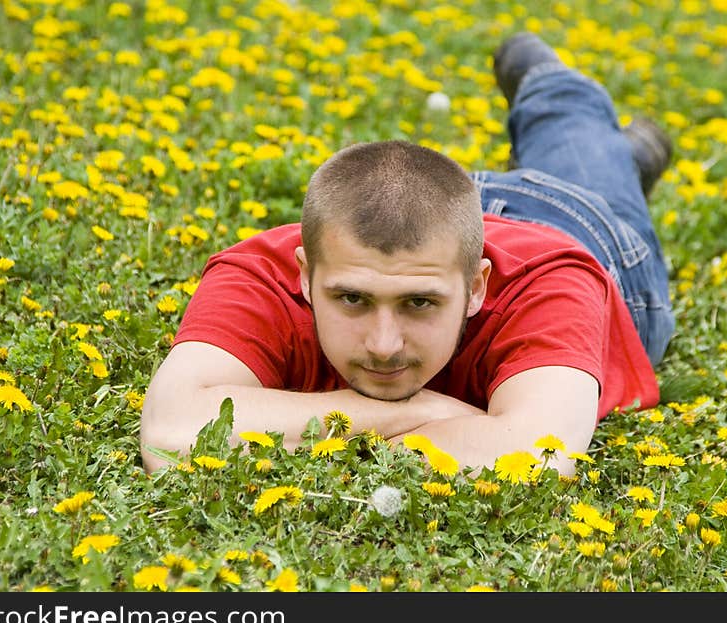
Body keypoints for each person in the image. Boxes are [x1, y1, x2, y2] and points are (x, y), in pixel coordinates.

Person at [140, 32, 676, 477]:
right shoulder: (261, 273)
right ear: (303, 275)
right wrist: (419, 412)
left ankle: (555, 90)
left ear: (476, 288)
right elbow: (169, 432)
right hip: (440, 216)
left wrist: (316, 425)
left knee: (578, 141)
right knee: (597, 159)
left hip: (568, 222)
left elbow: (540, 458)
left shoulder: (549, 284)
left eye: (419, 303)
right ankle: (624, 157)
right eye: (352, 298)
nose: (383, 345)